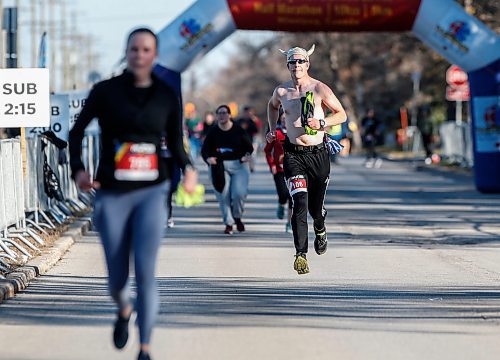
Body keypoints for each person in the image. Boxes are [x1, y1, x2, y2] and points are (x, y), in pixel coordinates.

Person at [68, 27, 197, 360]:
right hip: (112, 193)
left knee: (145, 270)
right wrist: (78, 170)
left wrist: (190, 170)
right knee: (116, 280)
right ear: (127, 53)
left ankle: (145, 348)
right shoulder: (106, 91)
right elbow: (77, 132)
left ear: (154, 56)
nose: (139, 55)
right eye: (134, 49)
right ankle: (123, 309)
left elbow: (175, 141)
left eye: (146, 50)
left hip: (153, 192)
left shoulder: (166, 95)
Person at [266, 44, 347, 275]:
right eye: (293, 62)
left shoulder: (320, 88)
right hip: (293, 155)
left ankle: (320, 228)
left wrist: (322, 123)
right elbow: (272, 107)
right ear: (288, 65)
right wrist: (272, 129)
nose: (297, 65)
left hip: (318, 154)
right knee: (298, 204)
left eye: (301, 61)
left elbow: (341, 114)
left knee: (315, 209)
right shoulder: (282, 92)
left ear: (307, 64)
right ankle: (300, 254)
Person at [201, 104, 253, 235]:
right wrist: (208, 159)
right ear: (217, 116)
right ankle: (229, 223)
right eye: (219, 113)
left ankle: (237, 216)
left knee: (239, 194)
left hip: (239, 165)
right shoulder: (213, 131)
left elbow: (249, 147)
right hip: (220, 166)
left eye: (224, 113)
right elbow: (205, 150)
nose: (222, 115)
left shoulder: (238, 130)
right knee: (223, 195)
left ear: (229, 115)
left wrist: (247, 156)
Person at [264, 107, 292, 232]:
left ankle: (289, 223)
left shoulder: (296, 132)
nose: (286, 120)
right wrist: (272, 165)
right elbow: (267, 151)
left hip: (293, 169)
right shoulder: (276, 133)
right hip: (279, 170)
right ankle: (281, 204)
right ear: (280, 119)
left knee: (293, 197)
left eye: (288, 118)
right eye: (283, 118)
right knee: (283, 194)